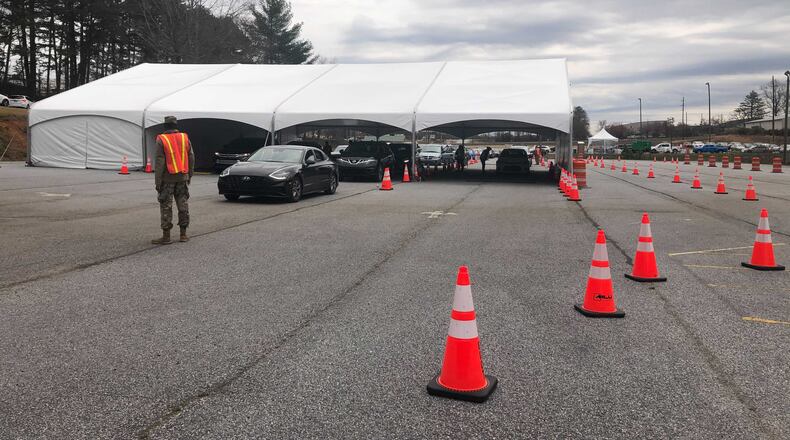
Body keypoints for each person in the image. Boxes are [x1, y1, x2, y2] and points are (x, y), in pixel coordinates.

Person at [151, 115, 194, 245]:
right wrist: (189, 175)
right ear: (176, 126)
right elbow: (191, 156)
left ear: (165, 126)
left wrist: (158, 182)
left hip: (167, 179)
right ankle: (183, 234)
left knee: (166, 206)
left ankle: (166, 236)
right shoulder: (184, 137)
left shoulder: (161, 139)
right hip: (182, 177)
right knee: (183, 205)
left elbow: (160, 162)